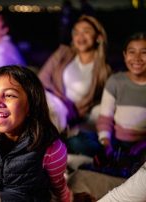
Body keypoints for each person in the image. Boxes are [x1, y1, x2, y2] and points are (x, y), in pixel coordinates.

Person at [0, 65, 71, 202]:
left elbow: (58, 185)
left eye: (9, 95)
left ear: (31, 104)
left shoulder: (51, 147)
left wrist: (69, 199)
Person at [38, 15, 111, 157]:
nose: (80, 36)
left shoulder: (103, 70)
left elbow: (97, 103)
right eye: (76, 32)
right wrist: (63, 102)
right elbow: (42, 78)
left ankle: (51, 147)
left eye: (86, 31)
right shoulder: (63, 52)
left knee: (78, 142)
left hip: (73, 117)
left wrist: (75, 113)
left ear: (98, 37)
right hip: (51, 102)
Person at [96, 32, 146, 176]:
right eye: (132, 52)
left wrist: (142, 144)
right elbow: (105, 118)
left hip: (143, 143)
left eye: (144, 53)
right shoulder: (116, 81)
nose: (137, 58)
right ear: (125, 55)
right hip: (116, 140)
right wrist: (106, 142)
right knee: (78, 141)